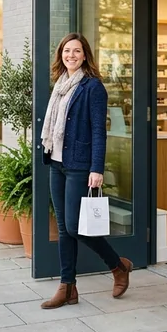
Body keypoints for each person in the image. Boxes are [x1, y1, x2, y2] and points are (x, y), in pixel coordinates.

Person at [39, 32, 132, 310]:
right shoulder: (60, 85)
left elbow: (98, 131)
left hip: (80, 166)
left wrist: (96, 168)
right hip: (56, 162)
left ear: (85, 55)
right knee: (65, 229)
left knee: (76, 227)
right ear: (61, 55)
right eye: (67, 51)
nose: (71, 55)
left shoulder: (93, 87)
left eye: (77, 51)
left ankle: (117, 266)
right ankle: (68, 287)